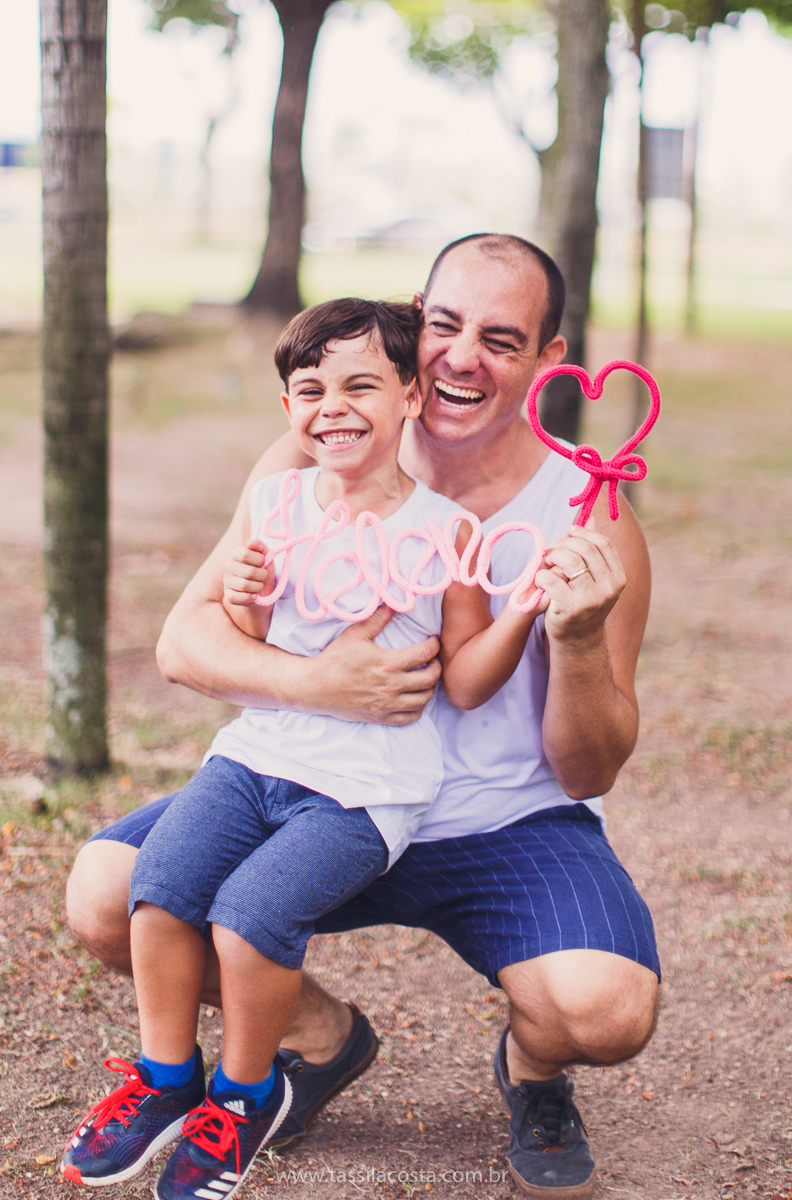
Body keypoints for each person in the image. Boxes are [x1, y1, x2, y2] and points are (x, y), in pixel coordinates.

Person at [66, 234, 660, 1200]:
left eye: (502, 339)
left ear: (551, 360)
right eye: (445, 326)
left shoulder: (588, 521)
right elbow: (185, 644)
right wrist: (322, 683)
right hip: (311, 786)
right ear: (412, 330)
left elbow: (589, 771)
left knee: (605, 1010)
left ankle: (535, 1073)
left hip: (501, 820)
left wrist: (578, 641)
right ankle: (317, 1037)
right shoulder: (319, 445)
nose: (464, 355)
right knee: (111, 892)